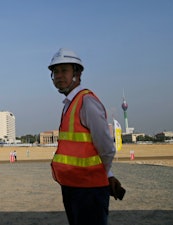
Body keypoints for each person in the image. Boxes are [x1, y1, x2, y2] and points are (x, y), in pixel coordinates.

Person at [48, 48, 125, 225]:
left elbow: (105, 146)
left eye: (64, 70)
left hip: (89, 189)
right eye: (55, 72)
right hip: (72, 186)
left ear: (78, 73)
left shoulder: (87, 102)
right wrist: (109, 174)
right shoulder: (69, 104)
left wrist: (105, 174)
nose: (58, 76)